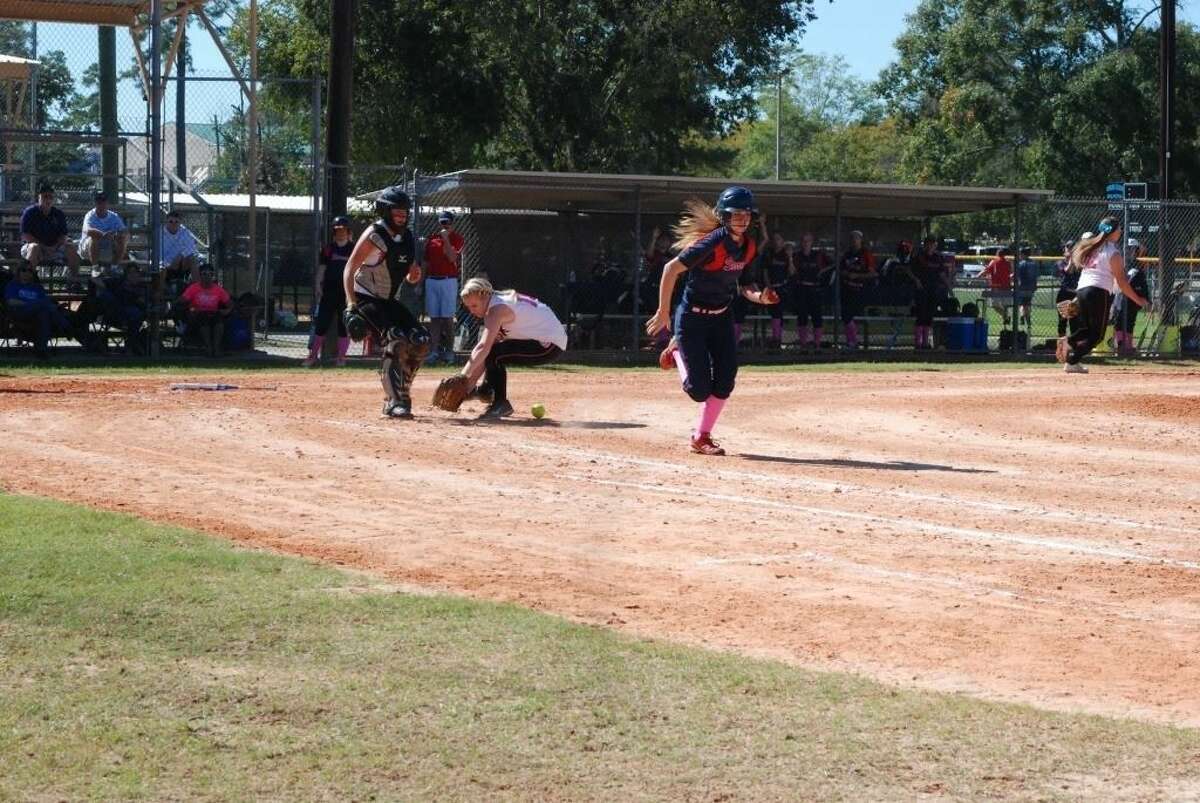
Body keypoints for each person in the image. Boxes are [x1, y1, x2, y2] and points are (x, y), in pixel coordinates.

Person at [645, 186, 778, 456]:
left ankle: (701, 437)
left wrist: (761, 298)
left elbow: (746, 285)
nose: (742, 219)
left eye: (747, 214)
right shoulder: (713, 242)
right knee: (699, 391)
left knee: (726, 381)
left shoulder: (749, 247)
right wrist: (663, 312)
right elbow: (671, 269)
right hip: (692, 319)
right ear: (724, 216)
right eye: (736, 214)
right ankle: (678, 351)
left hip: (721, 318)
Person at [342, 186, 429, 419]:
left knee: (421, 341)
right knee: (395, 337)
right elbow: (350, 268)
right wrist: (351, 305)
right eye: (396, 211)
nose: (401, 216)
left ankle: (402, 390)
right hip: (365, 297)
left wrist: (414, 274)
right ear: (385, 211)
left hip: (388, 300)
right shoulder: (375, 234)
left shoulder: (408, 237)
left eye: (404, 212)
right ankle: (394, 400)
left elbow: (409, 272)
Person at [455, 277, 567, 419]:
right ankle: (486, 391)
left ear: (485, 297)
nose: (471, 311)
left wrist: (462, 377)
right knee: (494, 352)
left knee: (495, 354)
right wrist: (468, 385)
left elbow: (483, 347)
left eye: (474, 305)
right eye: (468, 307)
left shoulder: (496, 310)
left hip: (550, 344)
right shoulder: (495, 303)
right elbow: (486, 350)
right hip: (547, 339)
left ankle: (500, 404)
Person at [1061, 217, 1151, 373]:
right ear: (1113, 232)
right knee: (1097, 336)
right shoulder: (1113, 252)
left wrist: (1077, 298)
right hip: (1098, 292)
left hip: (1082, 290)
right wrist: (1139, 300)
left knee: (1087, 329)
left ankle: (1068, 345)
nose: (1121, 231)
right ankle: (1071, 359)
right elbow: (1122, 284)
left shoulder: (1092, 248)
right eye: (1119, 229)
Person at [303, 216, 354, 367]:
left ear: (348, 231)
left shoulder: (353, 248)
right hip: (329, 291)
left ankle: (341, 358)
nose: (340, 232)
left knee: (343, 325)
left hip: (346, 292)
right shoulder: (328, 249)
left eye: (343, 229)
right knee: (322, 323)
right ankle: (312, 357)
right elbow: (322, 268)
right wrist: (318, 285)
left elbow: (358, 270)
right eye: (337, 230)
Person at [4, 263, 75, 358]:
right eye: (24, 270)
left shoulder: (37, 287)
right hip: (20, 312)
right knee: (45, 305)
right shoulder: (13, 285)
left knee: (44, 314)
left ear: (33, 274)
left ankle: (41, 350)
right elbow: (11, 301)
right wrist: (32, 304)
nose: (26, 273)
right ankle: (67, 327)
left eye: (30, 271)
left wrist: (39, 305)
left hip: (38, 313)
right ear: (19, 272)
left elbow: (45, 303)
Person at [423, 210, 466, 365]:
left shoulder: (457, 239)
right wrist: (421, 282)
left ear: (452, 224)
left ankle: (449, 352)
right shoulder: (432, 240)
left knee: (447, 318)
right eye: (442, 222)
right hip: (432, 281)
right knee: (434, 318)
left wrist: (446, 238)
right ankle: (434, 351)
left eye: (447, 222)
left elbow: (452, 257)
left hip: (448, 281)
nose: (444, 225)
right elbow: (426, 263)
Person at [20, 183, 80, 277]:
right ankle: (29, 282)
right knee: (34, 247)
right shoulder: (30, 212)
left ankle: (74, 281)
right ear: (38, 197)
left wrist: (54, 247)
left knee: (71, 247)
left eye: (50, 197)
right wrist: (44, 247)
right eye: (45, 196)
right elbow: (26, 235)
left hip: (54, 248)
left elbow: (63, 235)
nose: (48, 200)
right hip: (36, 248)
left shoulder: (58, 214)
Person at [178, 263, 234, 357]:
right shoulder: (193, 288)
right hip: (197, 315)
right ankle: (208, 348)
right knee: (203, 319)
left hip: (213, 314)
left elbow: (230, 304)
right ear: (200, 275)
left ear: (212, 276)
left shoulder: (218, 289)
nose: (207, 276)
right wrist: (191, 309)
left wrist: (227, 310)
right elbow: (181, 301)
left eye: (210, 274)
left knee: (218, 321)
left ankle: (216, 349)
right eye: (204, 274)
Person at [1111, 238, 1150, 356]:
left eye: (1132, 249)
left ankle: (1128, 346)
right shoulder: (1121, 261)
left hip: (1132, 297)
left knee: (1130, 321)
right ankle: (1121, 345)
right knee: (1119, 322)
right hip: (1121, 297)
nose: (1129, 251)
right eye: (1127, 249)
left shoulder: (1137, 266)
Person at [838, 230, 876, 350]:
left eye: (857, 238)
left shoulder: (865, 254)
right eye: (852, 238)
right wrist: (845, 273)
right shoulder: (847, 254)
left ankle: (854, 341)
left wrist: (857, 276)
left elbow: (873, 274)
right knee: (845, 316)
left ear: (861, 240)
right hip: (847, 289)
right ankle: (851, 342)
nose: (854, 241)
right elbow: (841, 269)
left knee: (850, 315)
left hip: (859, 290)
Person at [790, 232, 828, 349]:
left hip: (815, 289)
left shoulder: (818, 255)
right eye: (804, 241)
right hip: (801, 289)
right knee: (802, 316)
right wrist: (790, 259)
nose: (806, 243)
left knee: (817, 316)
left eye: (808, 241)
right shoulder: (797, 256)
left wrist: (821, 272)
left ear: (812, 242)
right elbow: (792, 272)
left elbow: (831, 265)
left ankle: (816, 343)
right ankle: (803, 343)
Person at [760, 223, 792, 349]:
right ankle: (775, 339)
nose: (776, 241)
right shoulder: (769, 253)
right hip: (771, 287)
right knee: (774, 313)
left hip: (782, 287)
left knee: (779, 313)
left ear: (783, 241)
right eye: (774, 239)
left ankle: (777, 339)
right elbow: (765, 272)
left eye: (778, 239)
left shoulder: (786, 254)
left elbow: (792, 272)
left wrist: (790, 258)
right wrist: (768, 287)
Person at [910, 236, 943, 349]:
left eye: (933, 244)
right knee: (921, 314)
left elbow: (941, 273)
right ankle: (918, 342)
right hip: (921, 289)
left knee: (929, 315)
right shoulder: (919, 256)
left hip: (933, 289)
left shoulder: (938, 257)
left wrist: (948, 286)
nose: (930, 246)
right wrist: (917, 280)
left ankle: (925, 342)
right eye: (928, 243)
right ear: (925, 245)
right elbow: (910, 270)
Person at [79, 191, 128, 266]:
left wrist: (116, 235)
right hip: (88, 248)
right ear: (95, 203)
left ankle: (114, 267)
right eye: (99, 202)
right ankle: (95, 268)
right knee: (94, 238)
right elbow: (88, 231)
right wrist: (104, 235)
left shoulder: (114, 216)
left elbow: (124, 232)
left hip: (107, 246)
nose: (101, 204)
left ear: (107, 202)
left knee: (122, 238)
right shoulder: (90, 215)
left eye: (104, 201)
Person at [159, 208, 199, 281]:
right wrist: (167, 264)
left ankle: (196, 287)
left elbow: (192, 248)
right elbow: (158, 254)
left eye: (176, 222)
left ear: (180, 223)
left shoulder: (185, 232)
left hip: (180, 263)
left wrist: (181, 256)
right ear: (166, 222)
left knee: (193, 259)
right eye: (171, 221)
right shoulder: (160, 233)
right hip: (163, 263)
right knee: (161, 268)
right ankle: (160, 291)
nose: (173, 224)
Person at [979, 247, 1013, 323]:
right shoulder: (1008, 263)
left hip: (996, 287)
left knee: (995, 305)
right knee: (1005, 305)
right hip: (1006, 287)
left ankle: (1006, 316)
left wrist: (977, 276)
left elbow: (986, 271)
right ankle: (1006, 316)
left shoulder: (994, 261)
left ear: (997, 254)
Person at [1054, 239, 1078, 341]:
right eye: (1068, 247)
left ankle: (1073, 344)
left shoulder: (1079, 262)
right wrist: (1072, 258)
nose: (1070, 249)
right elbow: (1068, 270)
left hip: (1075, 295)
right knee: (1063, 320)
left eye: (1072, 247)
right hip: (1064, 294)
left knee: (1074, 321)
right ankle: (1062, 344)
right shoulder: (1060, 263)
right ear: (1065, 249)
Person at [1015, 246, 1039, 328]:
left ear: (1023, 254)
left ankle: (1022, 316)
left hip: (1022, 287)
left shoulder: (1021, 264)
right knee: (1027, 305)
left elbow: (1016, 275)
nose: (1020, 256)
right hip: (1031, 287)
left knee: (1022, 304)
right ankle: (1028, 322)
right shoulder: (1034, 263)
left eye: (1020, 254)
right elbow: (1036, 276)